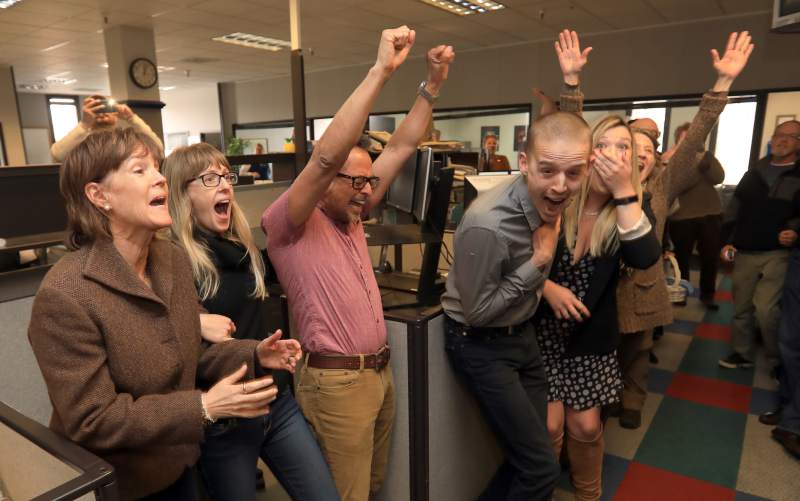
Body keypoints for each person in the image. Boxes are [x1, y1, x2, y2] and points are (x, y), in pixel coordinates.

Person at [27, 128, 301, 500]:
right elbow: (94, 419)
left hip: (179, 465)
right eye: (139, 170)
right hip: (122, 486)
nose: (159, 178)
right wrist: (203, 406)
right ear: (99, 195)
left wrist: (253, 353)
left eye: (157, 168)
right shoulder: (66, 294)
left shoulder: (169, 259)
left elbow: (189, 351)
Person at [262, 27, 454, 501]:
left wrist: (431, 86)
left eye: (371, 182)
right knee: (345, 494)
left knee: (367, 487)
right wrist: (380, 71)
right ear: (325, 182)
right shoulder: (288, 222)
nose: (368, 191)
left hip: (377, 375)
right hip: (336, 382)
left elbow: (402, 147)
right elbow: (326, 156)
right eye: (356, 182)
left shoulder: (353, 213)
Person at [555, 30, 752, 430]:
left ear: (653, 159)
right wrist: (572, 85)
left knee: (638, 351)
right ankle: (603, 405)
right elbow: (576, 134)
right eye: (627, 148)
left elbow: (696, 135)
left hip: (641, 286)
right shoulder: (593, 186)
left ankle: (632, 401)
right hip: (599, 289)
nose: (634, 157)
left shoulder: (662, 182)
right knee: (602, 356)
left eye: (642, 152)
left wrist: (723, 84)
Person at [163, 143, 338, 501]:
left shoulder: (243, 250)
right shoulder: (174, 262)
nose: (225, 186)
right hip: (227, 419)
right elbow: (172, 343)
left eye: (226, 176)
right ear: (182, 193)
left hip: (276, 401)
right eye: (209, 179)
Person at [442, 110, 591, 501]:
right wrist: (538, 264)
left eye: (573, 174)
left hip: (522, 336)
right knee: (542, 468)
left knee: (530, 452)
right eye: (548, 172)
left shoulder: (552, 198)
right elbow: (477, 312)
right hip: (480, 343)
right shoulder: (487, 223)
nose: (561, 186)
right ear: (524, 164)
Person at [534, 111, 661, 500]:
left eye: (623, 147)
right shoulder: (560, 195)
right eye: (603, 144)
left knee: (586, 428)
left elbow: (643, 257)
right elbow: (513, 258)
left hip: (588, 338)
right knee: (550, 426)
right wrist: (545, 287)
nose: (612, 154)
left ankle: (589, 495)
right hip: (540, 334)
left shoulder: (631, 210)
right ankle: (544, 489)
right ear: (588, 153)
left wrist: (624, 191)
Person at [719, 118, 800, 370]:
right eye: (779, 134)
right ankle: (742, 353)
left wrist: (795, 232)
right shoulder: (754, 172)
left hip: (778, 253)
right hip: (745, 250)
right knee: (741, 307)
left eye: (790, 136)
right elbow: (735, 209)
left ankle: (777, 360)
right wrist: (727, 242)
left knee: (766, 310)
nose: (782, 139)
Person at [666, 123, 726, 310]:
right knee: (681, 257)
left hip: (711, 214)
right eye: (687, 137)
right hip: (681, 216)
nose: (692, 140)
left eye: (695, 136)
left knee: (710, 257)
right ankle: (681, 292)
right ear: (678, 140)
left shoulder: (706, 157)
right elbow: (672, 184)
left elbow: (719, 177)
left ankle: (707, 295)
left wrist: (703, 161)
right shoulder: (670, 158)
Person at [51, 95, 163, 162]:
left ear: (114, 110)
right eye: (95, 108)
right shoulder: (81, 140)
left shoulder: (125, 137)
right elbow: (57, 155)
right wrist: (84, 124)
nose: (101, 112)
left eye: (105, 107)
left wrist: (131, 118)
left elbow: (157, 147)